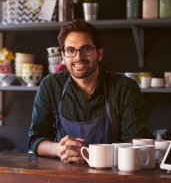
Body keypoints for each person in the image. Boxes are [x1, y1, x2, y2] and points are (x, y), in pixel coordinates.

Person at [28, 19, 151, 164]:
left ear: (99, 54)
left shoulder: (125, 88)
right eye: (70, 50)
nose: (78, 57)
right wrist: (58, 149)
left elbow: (138, 142)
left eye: (86, 49)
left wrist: (98, 154)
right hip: (63, 175)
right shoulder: (50, 85)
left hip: (112, 175)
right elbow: (36, 138)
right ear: (63, 56)